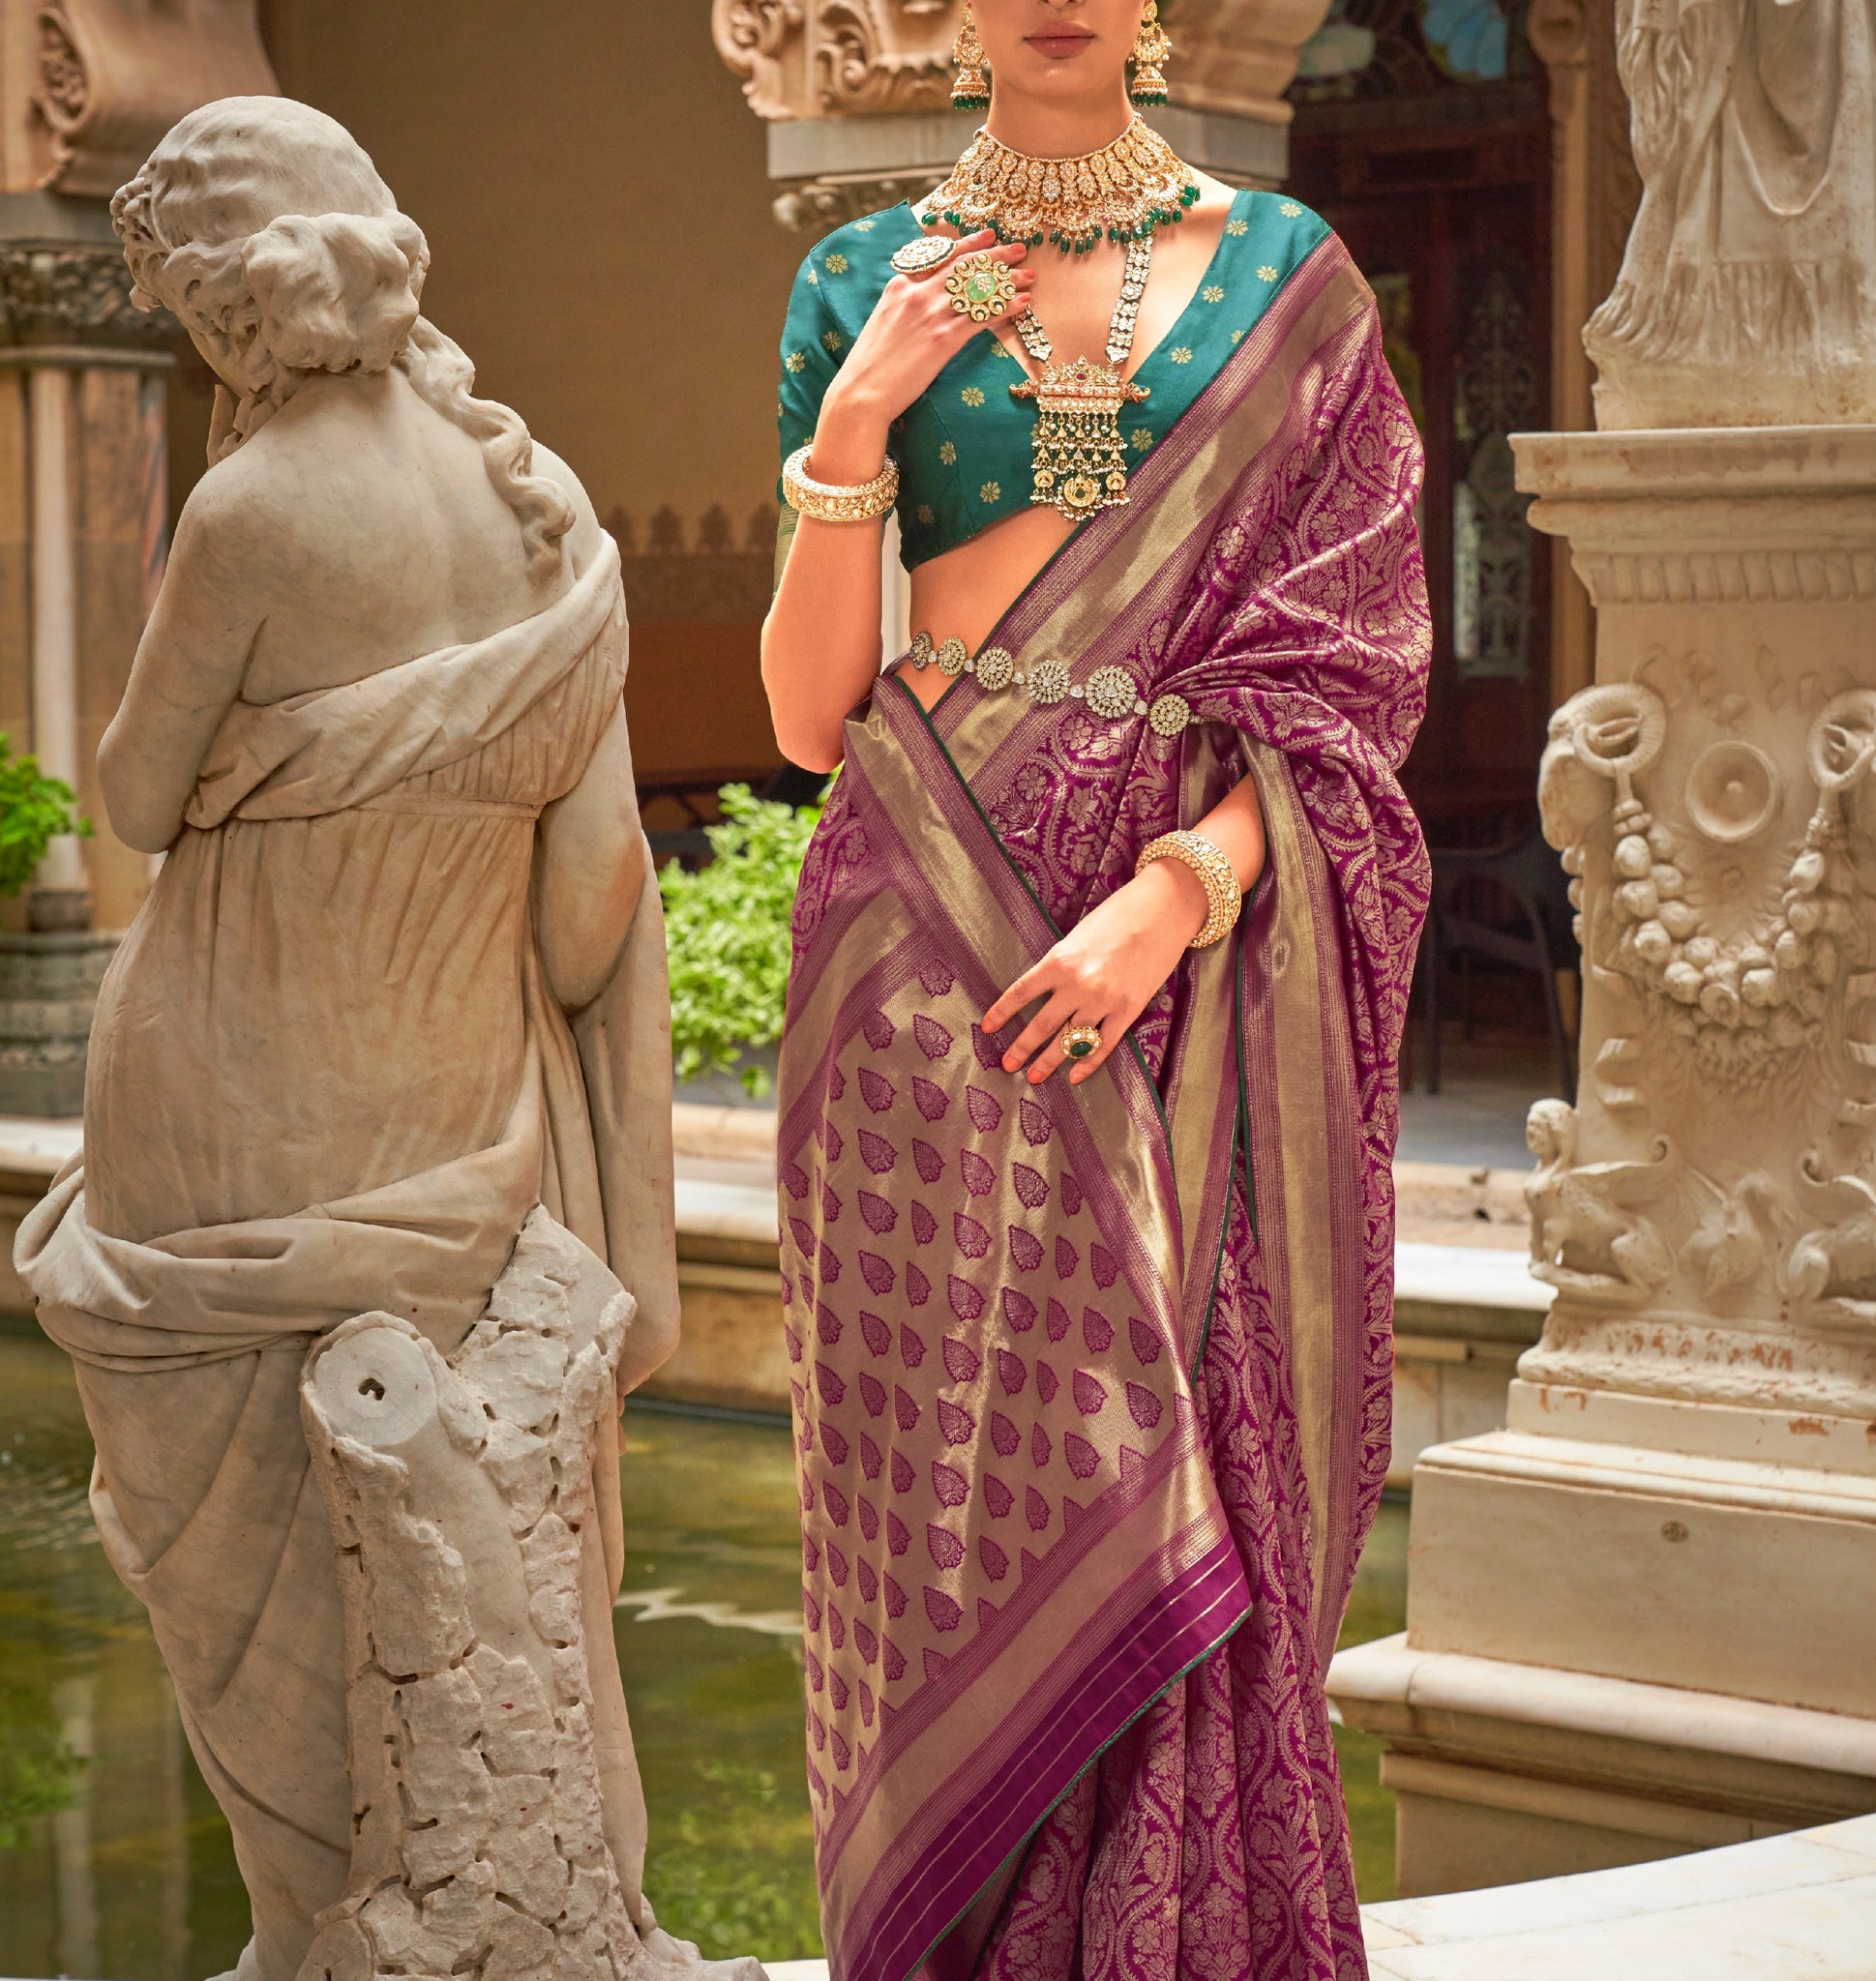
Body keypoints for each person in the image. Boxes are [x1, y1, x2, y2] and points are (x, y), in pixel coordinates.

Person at [759, 2, 1430, 1974]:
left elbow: (1350, 702)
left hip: (1188, 962)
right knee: (952, 1530)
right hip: (914, 960)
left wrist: (1177, 898)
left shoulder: (1293, 288)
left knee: (1187, 1475)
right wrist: (855, 425)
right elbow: (809, 719)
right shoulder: (853, 279)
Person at [14, 98, 708, 1980]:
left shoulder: (248, 510)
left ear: (234, 309)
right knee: (454, 1541)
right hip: (458, 1110)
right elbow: (588, 914)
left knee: (220, 1546)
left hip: (235, 1111)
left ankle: (316, 1929)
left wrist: (280, 766)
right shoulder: (544, 511)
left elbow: (137, 795)